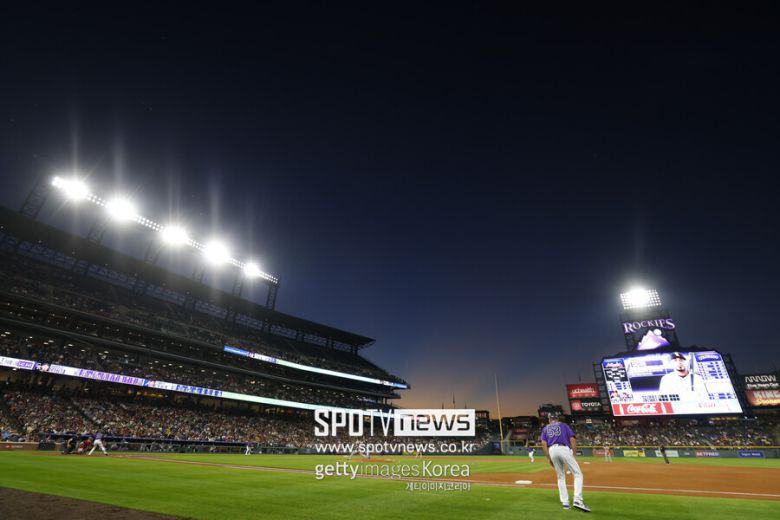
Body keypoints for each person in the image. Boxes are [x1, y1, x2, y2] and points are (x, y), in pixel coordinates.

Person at [540, 413, 590, 512]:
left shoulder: (545, 428)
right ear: (557, 418)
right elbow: (573, 440)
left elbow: (543, 444)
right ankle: (577, 500)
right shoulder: (563, 425)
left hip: (552, 450)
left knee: (560, 477)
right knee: (578, 474)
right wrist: (573, 455)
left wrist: (549, 458)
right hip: (563, 448)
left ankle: (565, 503)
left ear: (549, 419)